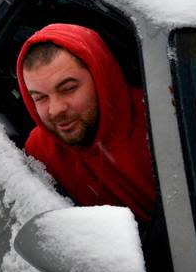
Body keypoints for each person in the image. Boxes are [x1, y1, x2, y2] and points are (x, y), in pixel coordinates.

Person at [15, 23, 158, 224]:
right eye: (40, 98)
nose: (56, 110)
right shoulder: (41, 150)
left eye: (68, 88)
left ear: (101, 77)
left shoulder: (165, 120)